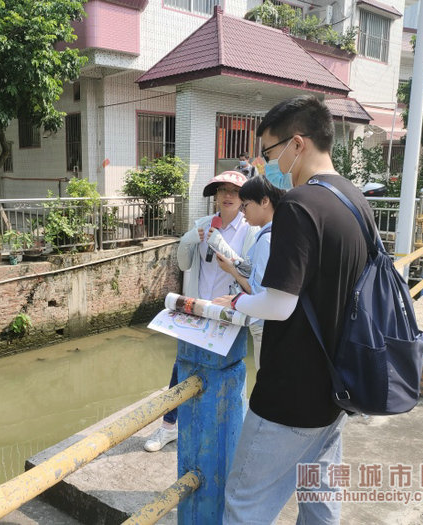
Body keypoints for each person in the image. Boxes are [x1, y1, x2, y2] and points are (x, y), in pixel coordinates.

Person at [213, 95, 377, 524]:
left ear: (297, 143)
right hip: (336, 389)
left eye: (269, 151)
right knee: (319, 496)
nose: (268, 163)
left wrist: (234, 301)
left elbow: (280, 304)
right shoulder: (355, 201)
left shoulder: (299, 205)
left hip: (291, 396)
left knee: (244, 504)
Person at [143, 171, 259, 452]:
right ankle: (169, 427)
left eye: (234, 191)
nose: (228, 196)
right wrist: (187, 241)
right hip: (197, 310)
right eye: (222, 191)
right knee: (182, 365)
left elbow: (250, 274)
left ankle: (236, 429)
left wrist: (220, 244)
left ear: (243, 199)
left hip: (231, 311)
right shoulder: (203, 225)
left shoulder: (252, 231)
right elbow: (183, 264)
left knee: (232, 368)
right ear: (216, 197)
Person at [215, 176, 285, 370]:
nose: (242, 211)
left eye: (245, 205)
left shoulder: (266, 239)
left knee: (265, 380)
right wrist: (238, 264)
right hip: (275, 327)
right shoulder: (281, 231)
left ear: (264, 201)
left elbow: (259, 293)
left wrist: (232, 272)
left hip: (264, 327)